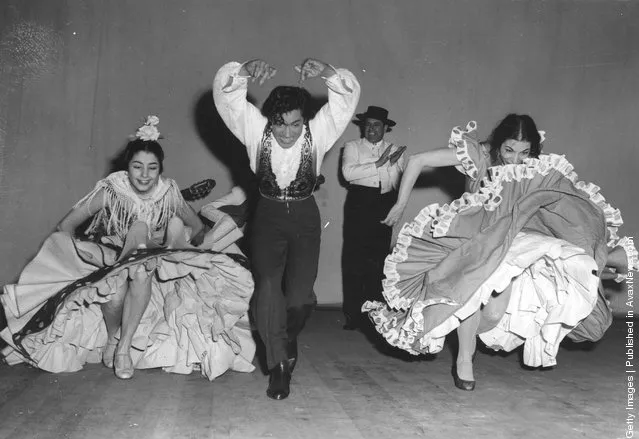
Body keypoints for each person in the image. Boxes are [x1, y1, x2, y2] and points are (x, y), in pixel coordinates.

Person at [363, 114, 638, 391]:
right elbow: (417, 160)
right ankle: (464, 359)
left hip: (513, 246)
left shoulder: (535, 169)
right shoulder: (479, 156)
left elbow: (565, 209)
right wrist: (400, 205)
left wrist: (595, 253)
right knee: (472, 290)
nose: (515, 159)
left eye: (524, 152)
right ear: (497, 144)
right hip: (478, 244)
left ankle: (606, 259)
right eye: (508, 150)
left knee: (494, 314)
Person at [0, 116, 256, 381]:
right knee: (114, 289)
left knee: (141, 271)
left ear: (160, 169)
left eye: (152, 168)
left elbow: (196, 226)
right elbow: (66, 225)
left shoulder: (168, 193)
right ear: (128, 166)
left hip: (152, 261)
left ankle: (124, 349)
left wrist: (181, 246)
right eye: (137, 166)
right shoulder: (112, 190)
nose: (144, 175)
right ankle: (113, 338)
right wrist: (82, 255)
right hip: (114, 255)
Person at [213, 57, 360, 399]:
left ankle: (284, 336)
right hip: (268, 215)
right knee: (266, 287)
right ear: (269, 120)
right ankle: (279, 366)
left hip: (305, 217)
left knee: (299, 298)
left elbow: (345, 99)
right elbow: (227, 96)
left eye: (295, 124)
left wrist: (326, 72)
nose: (288, 133)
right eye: (280, 124)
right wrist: (245, 71)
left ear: (305, 121)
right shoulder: (254, 129)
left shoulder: (319, 132)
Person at [341, 105, 406, 330]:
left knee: (378, 260)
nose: (371, 129)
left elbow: (397, 182)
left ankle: (375, 316)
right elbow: (348, 173)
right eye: (367, 125)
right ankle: (352, 315)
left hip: (384, 203)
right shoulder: (352, 147)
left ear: (385, 128)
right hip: (359, 203)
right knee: (353, 259)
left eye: (376, 125)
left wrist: (392, 167)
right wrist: (379, 164)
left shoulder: (396, 149)